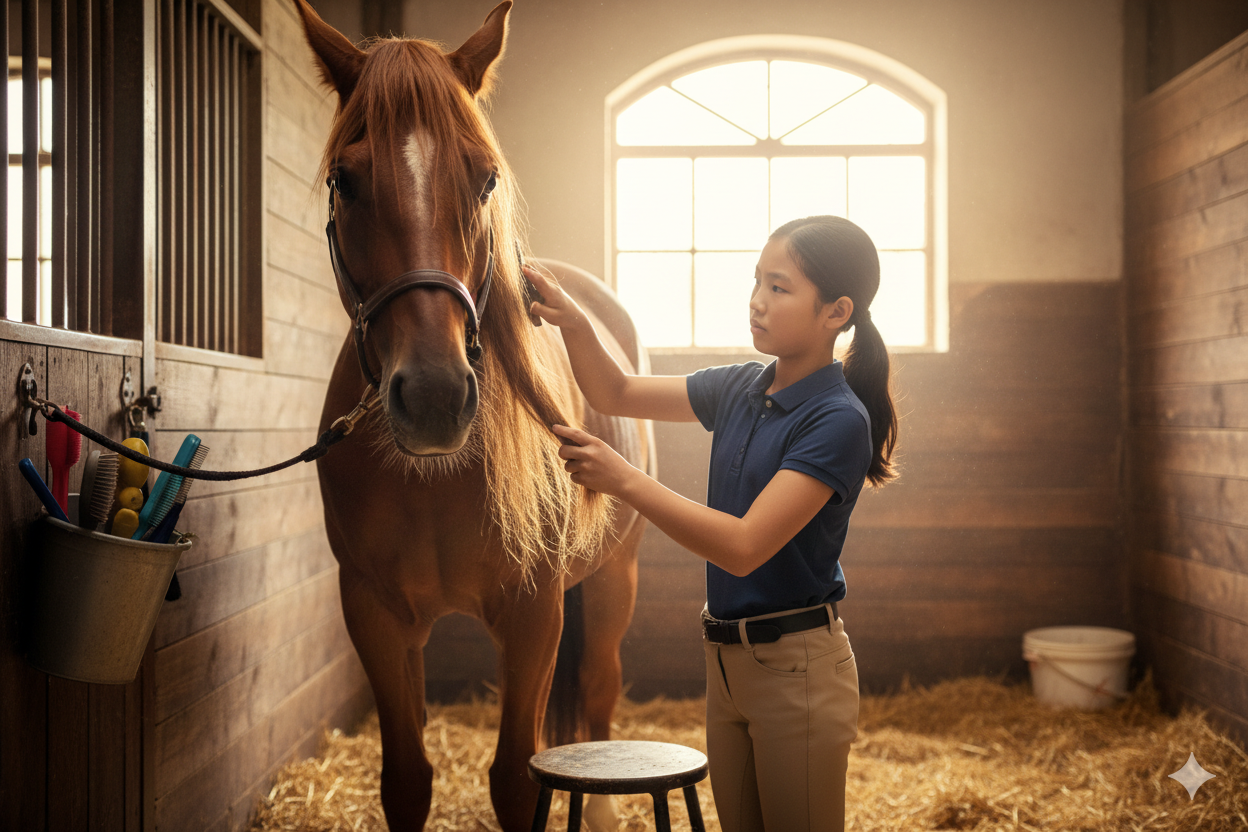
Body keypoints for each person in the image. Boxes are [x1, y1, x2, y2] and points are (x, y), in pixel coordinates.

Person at [523, 215, 898, 832]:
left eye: (779, 288)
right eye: (757, 281)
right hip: (727, 663)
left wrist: (625, 480)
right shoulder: (740, 387)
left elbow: (744, 546)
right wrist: (572, 320)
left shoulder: (838, 420)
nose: (757, 301)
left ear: (836, 312)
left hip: (797, 670)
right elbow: (614, 391)